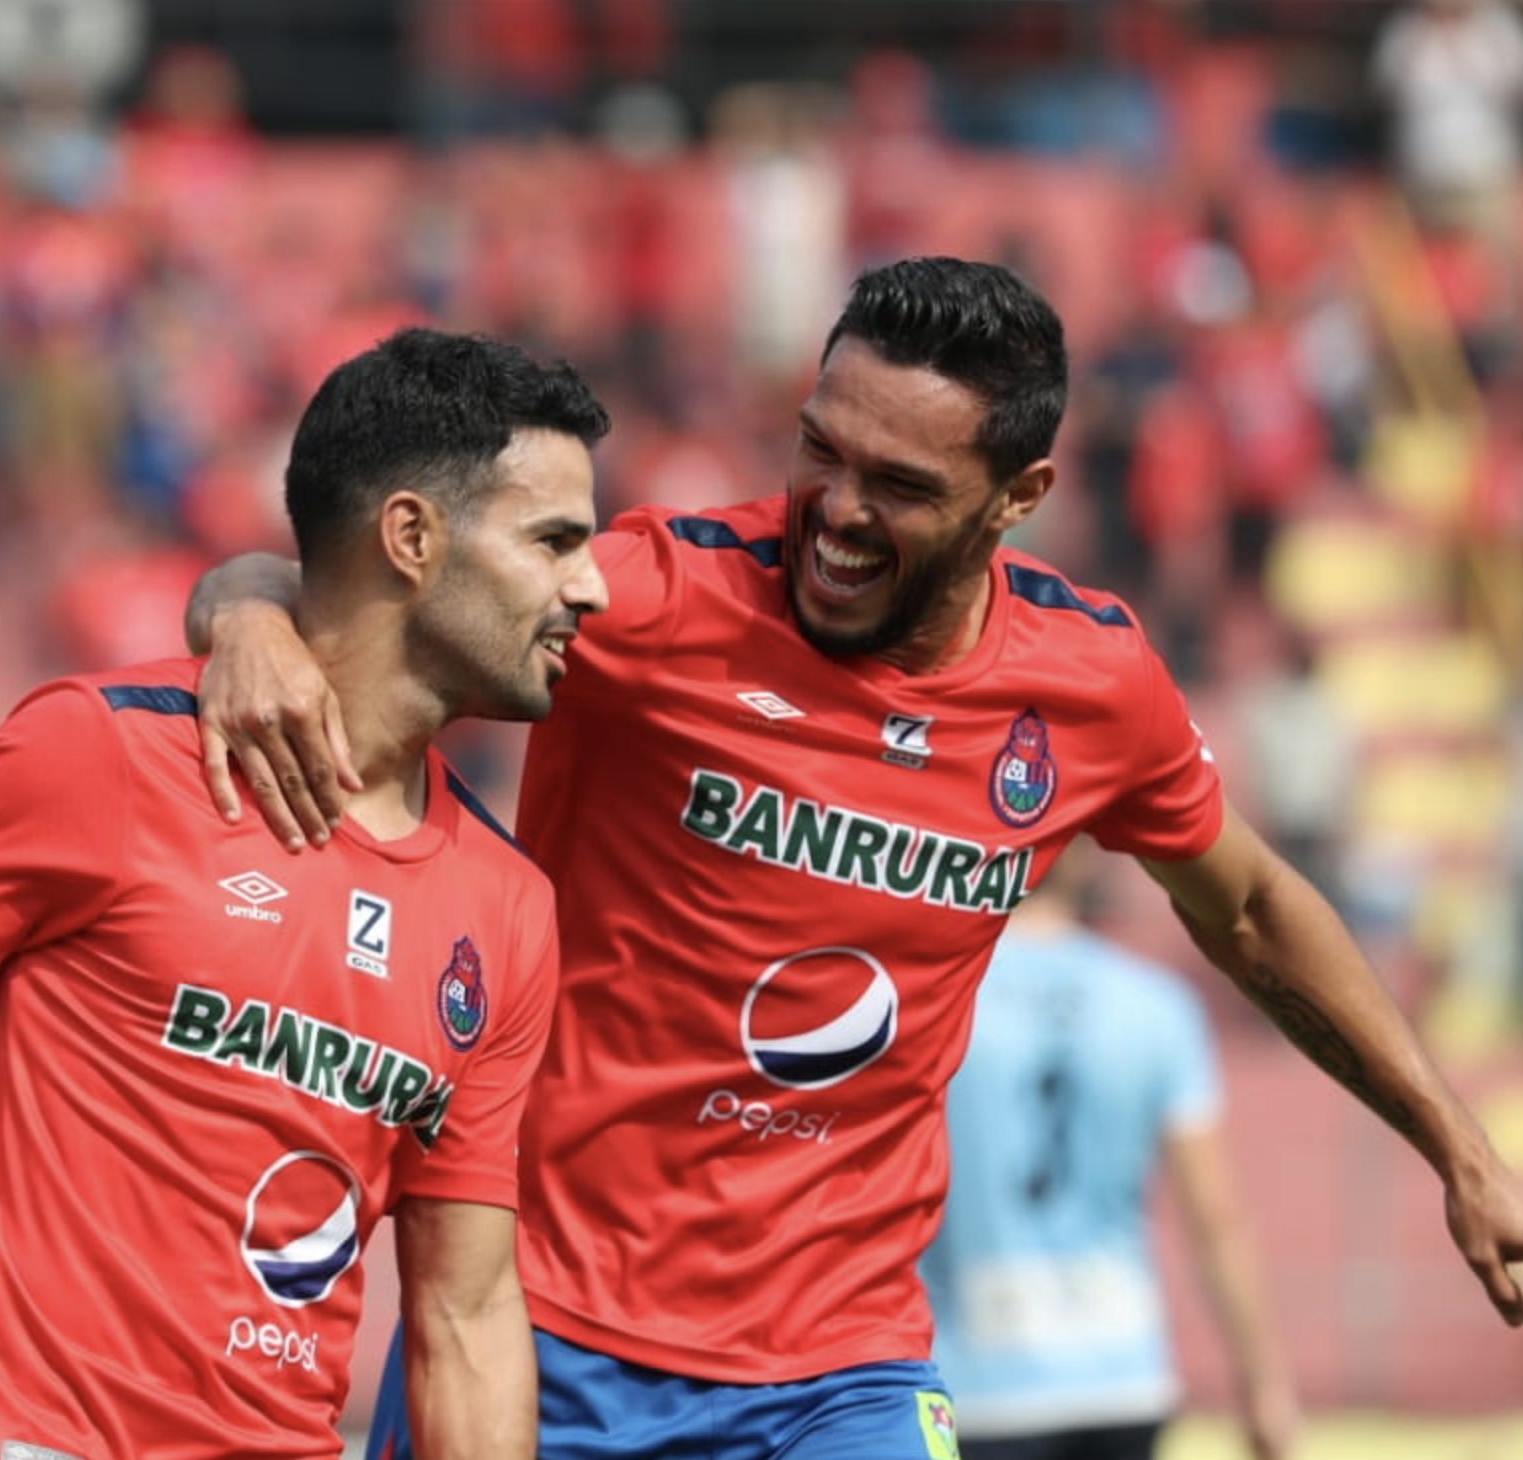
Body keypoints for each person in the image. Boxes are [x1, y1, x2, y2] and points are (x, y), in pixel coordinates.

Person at [185, 256, 1523, 1460]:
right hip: (543, 1334)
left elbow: (1254, 909)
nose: (833, 510)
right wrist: (245, 611)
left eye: (901, 486)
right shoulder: (649, 599)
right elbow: (351, 587)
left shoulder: (1090, 687)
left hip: (844, 1369)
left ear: (1020, 497)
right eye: (819, 449)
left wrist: (1456, 1148)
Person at [0, 326, 614, 1460]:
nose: (590, 586)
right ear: (410, 537)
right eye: (553, 541)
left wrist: (241, 602)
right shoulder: (102, 754)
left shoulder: (508, 910)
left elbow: (467, 1313)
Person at [919, 846, 1301, 1460]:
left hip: (976, 1377)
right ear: (1086, 862)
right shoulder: (1156, 1003)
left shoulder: (933, 1003)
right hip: (1122, 1373)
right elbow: (1214, 1217)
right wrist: (1263, 1383)